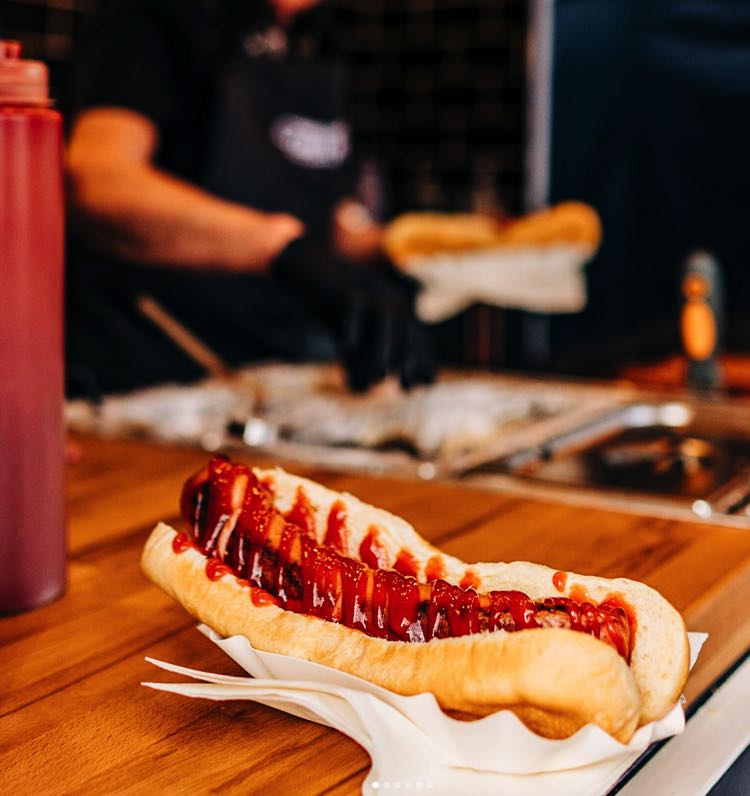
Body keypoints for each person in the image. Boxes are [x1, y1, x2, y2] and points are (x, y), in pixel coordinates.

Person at [65, 0, 435, 396]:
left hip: (268, 369)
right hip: (156, 371)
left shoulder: (314, 38)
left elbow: (321, 226)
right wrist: (281, 250)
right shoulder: (148, 19)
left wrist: (409, 248)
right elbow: (99, 182)